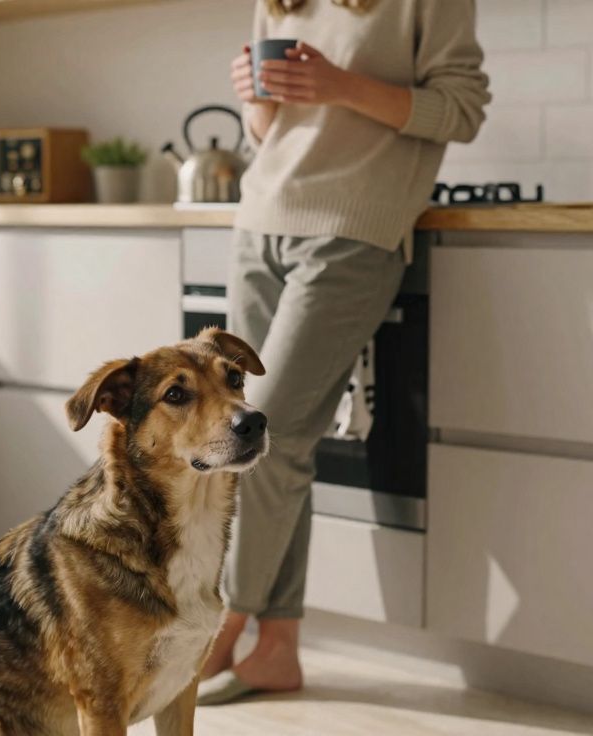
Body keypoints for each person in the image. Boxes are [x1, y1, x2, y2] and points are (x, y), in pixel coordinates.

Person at [198, 0, 490, 705]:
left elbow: (464, 109)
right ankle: (278, 650)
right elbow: (275, 134)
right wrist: (255, 100)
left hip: (353, 229)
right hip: (261, 220)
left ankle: (216, 628)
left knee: (258, 434)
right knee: (278, 446)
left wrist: (341, 85)